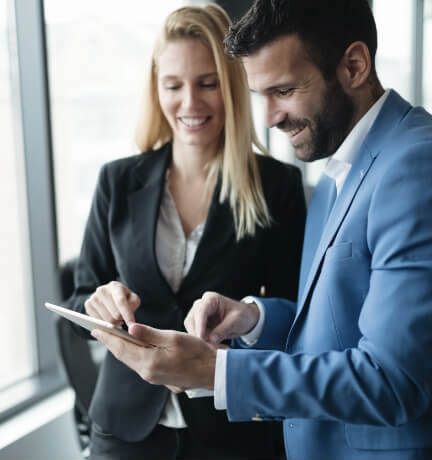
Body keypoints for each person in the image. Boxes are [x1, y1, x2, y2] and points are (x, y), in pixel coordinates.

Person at [91, 1, 432, 459]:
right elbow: (334, 331)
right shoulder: (340, 172)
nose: (269, 117)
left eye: (284, 91)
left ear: (354, 66)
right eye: (261, 96)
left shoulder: (424, 168)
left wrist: (215, 371)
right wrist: (254, 318)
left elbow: (392, 380)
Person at [67, 4, 306, 460]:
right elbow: (82, 300)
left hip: (232, 433)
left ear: (232, 86)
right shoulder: (117, 181)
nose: (190, 103)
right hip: (125, 431)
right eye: (173, 85)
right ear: (156, 88)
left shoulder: (277, 187)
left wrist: (245, 319)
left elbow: (294, 319)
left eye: (208, 83)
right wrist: (99, 306)